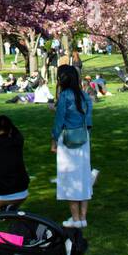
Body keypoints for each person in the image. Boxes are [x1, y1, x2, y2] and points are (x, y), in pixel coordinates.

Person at [51, 64, 93, 228]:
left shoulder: (64, 96)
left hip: (68, 138)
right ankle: (83, 217)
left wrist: (53, 139)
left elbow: (59, 122)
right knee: (83, 176)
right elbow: (88, 120)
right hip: (83, 138)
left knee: (69, 177)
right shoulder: (84, 95)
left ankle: (75, 219)